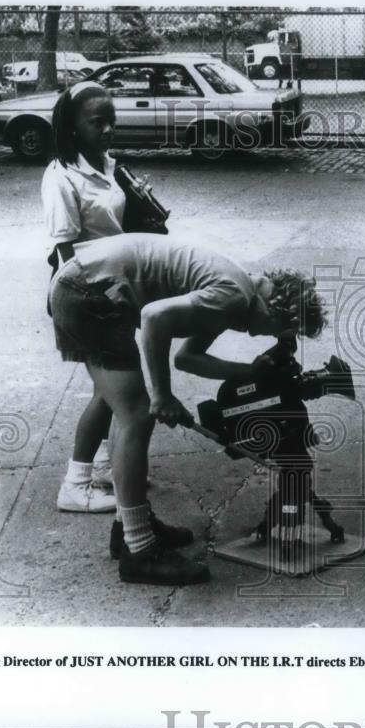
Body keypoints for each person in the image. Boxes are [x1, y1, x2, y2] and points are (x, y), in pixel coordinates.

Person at [48, 232, 327, 585]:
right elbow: (153, 317)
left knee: (124, 410)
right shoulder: (233, 296)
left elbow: (187, 358)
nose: (265, 337)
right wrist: (161, 396)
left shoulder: (239, 290)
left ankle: (130, 527)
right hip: (88, 290)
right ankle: (139, 552)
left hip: (86, 284)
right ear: (276, 309)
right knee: (136, 415)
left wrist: (250, 372)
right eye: (281, 330)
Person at [42, 81, 126, 514]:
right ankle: (75, 483)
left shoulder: (109, 165)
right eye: (98, 123)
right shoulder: (62, 176)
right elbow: (66, 251)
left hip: (119, 288)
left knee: (111, 388)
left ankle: (107, 466)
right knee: (114, 391)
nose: (109, 129)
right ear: (74, 128)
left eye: (112, 120)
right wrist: (103, 298)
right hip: (90, 294)